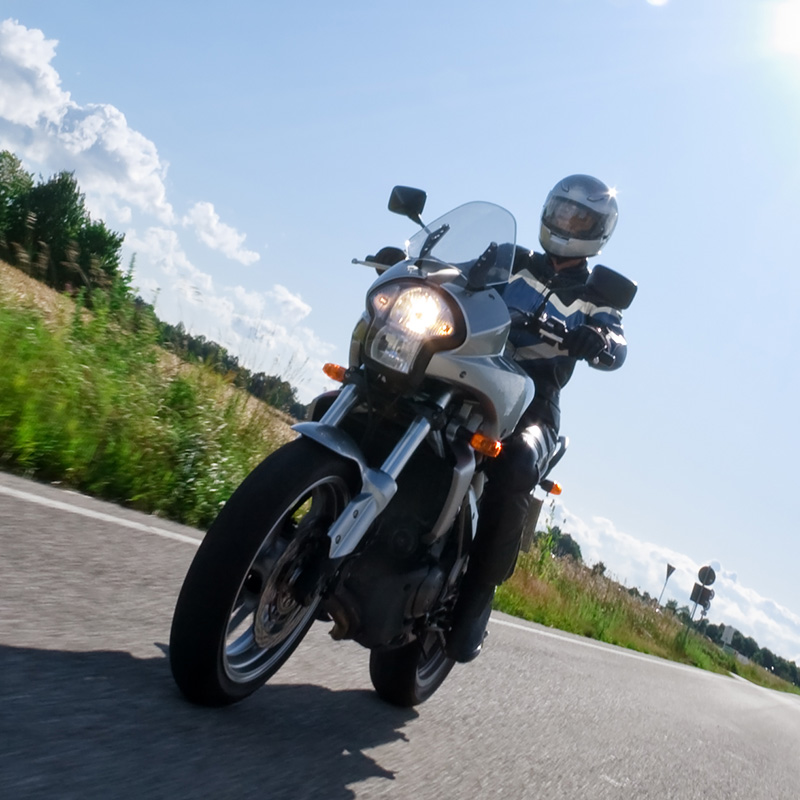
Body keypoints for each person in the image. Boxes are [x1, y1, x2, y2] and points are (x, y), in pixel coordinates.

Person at [444, 174, 629, 662]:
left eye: (580, 219)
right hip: (472, 365)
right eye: (562, 212)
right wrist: (423, 267)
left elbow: (616, 341)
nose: (567, 223)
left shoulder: (596, 294)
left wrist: (599, 340)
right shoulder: (510, 258)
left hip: (534, 397)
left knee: (519, 462)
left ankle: (476, 596)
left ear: (598, 231)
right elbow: (458, 273)